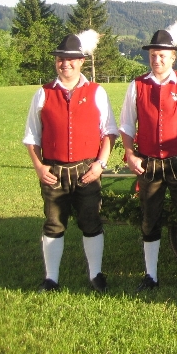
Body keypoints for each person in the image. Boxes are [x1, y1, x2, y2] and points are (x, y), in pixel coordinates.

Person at [23, 31, 118, 293]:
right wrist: (39, 167)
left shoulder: (97, 92)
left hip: (87, 169)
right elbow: (31, 137)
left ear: (81, 61)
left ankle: (96, 275)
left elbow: (109, 132)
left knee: (91, 222)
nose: (65, 63)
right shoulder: (43, 94)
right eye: (60, 59)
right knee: (54, 223)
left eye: (71, 59)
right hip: (53, 170)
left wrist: (100, 164)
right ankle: (51, 278)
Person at [119, 25, 177, 292]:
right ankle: (151, 276)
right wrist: (130, 154)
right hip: (148, 164)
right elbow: (127, 125)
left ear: (173, 57)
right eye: (153, 55)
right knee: (149, 220)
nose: (156, 60)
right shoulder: (137, 85)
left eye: (162, 55)